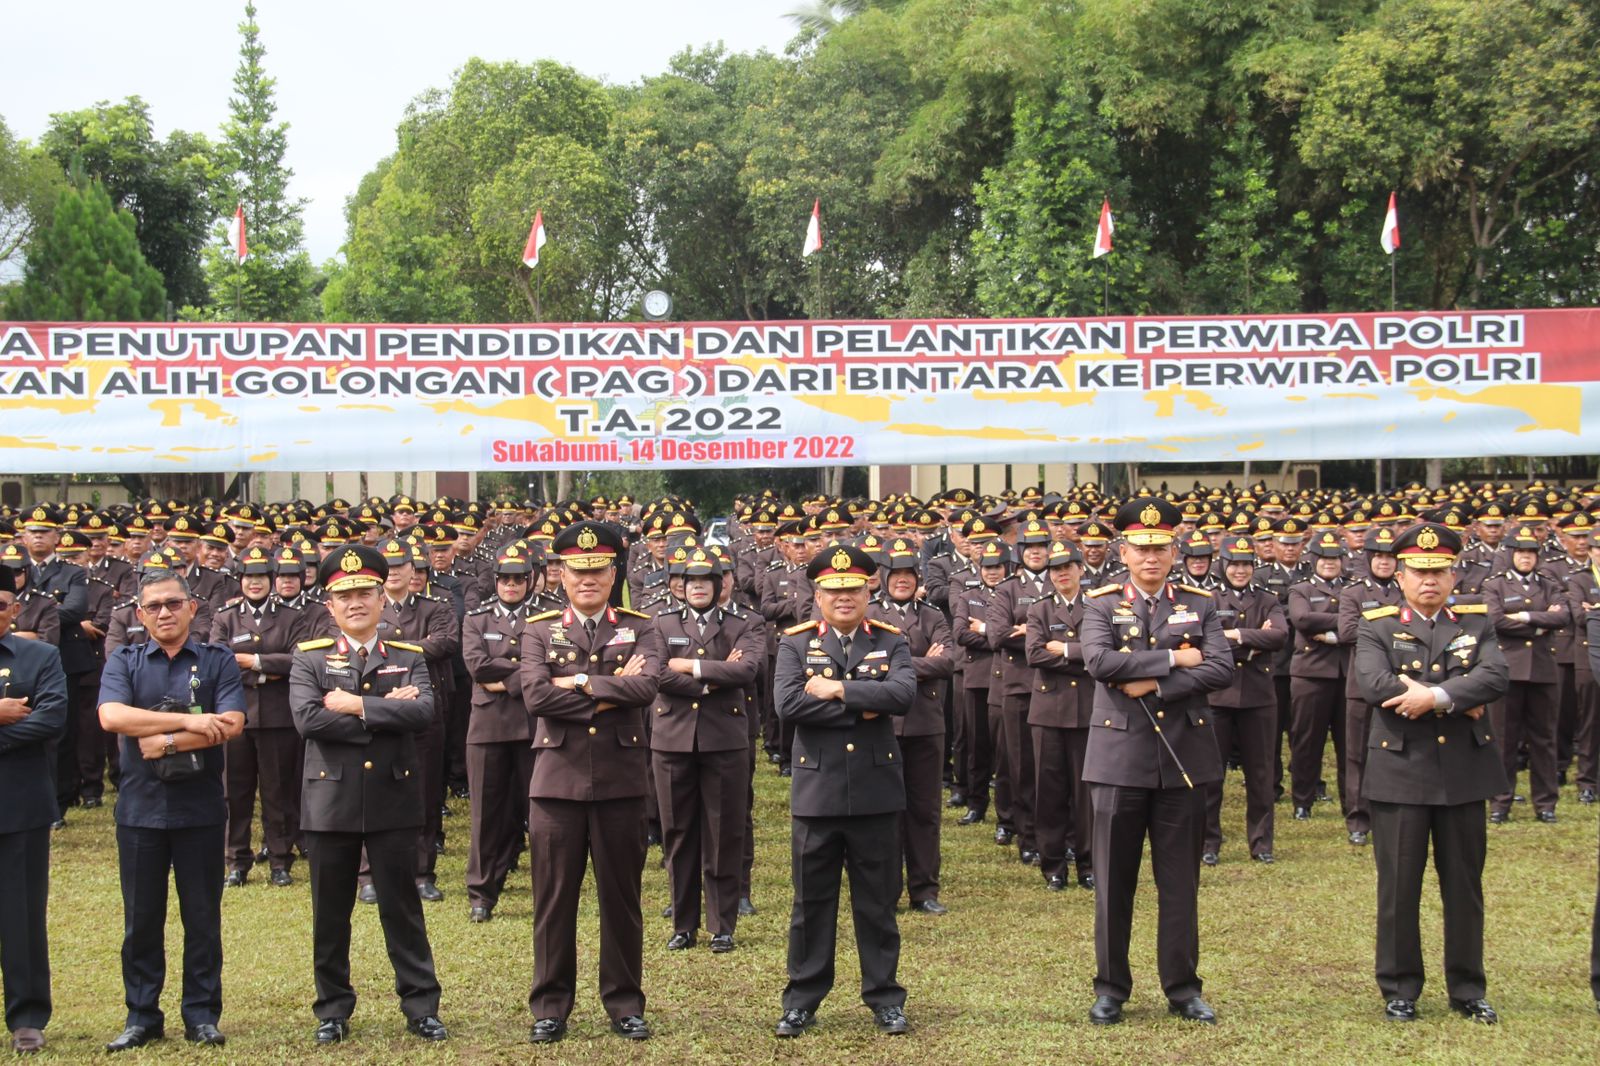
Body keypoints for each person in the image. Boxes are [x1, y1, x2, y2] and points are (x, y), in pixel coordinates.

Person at [1079, 497, 1233, 1026]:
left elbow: (1222, 669)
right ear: (1124, 551)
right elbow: (1098, 661)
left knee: (1179, 882)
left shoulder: (1201, 602)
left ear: (1175, 550)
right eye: (1141, 549)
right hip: (1117, 758)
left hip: (1184, 758)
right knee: (1112, 882)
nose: (1151, 557)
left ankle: (1183, 987)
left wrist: (1154, 683)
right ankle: (1110, 987)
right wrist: (1174, 656)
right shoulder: (1099, 603)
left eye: (1161, 548)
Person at [289, 543, 446, 1044]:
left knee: (402, 908)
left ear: (383, 598)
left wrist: (356, 704)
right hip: (330, 799)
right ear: (330, 607)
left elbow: (423, 715)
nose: (356, 602)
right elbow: (309, 721)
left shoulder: (407, 655)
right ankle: (332, 1009)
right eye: (345, 596)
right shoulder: (310, 659)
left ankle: (421, 1005)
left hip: (392, 796)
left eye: (365, 593)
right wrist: (384, 713)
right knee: (330, 913)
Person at [1353, 522, 1509, 1024]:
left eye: (1439, 571)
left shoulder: (1476, 621)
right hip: (1401, 771)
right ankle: (1400, 987)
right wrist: (1461, 698)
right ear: (1399, 575)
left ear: (1453, 574)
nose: (1429, 582)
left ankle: (1467, 987)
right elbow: (1374, 683)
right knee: (1399, 886)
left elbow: (1495, 675)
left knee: (1464, 885)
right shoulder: (1375, 624)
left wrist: (1432, 696)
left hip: (1464, 772)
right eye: (1419, 572)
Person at [520, 520, 661, 1044]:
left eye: (598, 570)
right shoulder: (538, 630)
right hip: (556, 785)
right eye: (578, 571)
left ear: (613, 572)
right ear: (560, 574)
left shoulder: (640, 626)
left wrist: (577, 681)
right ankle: (550, 1007)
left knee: (621, 900)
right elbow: (535, 697)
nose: (588, 580)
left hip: (622, 783)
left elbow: (647, 686)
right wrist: (609, 689)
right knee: (553, 900)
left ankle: (624, 1002)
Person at [97, 570, 247, 1051]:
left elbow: (232, 723)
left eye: (173, 603)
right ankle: (142, 1015)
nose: (164, 613)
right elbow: (112, 717)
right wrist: (189, 721)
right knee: (141, 920)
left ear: (191, 608)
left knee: (202, 917)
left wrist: (159, 740)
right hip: (140, 811)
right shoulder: (124, 659)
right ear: (140, 614)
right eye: (154, 606)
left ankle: (201, 1014)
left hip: (200, 810)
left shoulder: (217, 659)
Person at [772, 543, 916, 1039]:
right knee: (811, 903)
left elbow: (903, 696)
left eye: (853, 589)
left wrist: (836, 690)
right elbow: (788, 705)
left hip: (876, 791)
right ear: (818, 594)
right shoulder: (794, 643)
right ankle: (803, 998)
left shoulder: (892, 640)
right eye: (834, 591)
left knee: (877, 903)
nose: (844, 598)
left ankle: (885, 997)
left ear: (868, 589)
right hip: (818, 792)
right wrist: (865, 705)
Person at [651, 548, 764, 951]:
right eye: (690, 581)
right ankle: (683, 924)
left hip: (724, 739)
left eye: (706, 581)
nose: (698, 587)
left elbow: (747, 670)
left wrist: (689, 666)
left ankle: (722, 925)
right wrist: (712, 678)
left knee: (723, 832)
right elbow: (656, 673)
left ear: (719, 585)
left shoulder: (745, 623)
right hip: (672, 739)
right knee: (678, 832)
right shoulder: (660, 623)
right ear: (680, 587)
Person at [211, 545, 314, 886]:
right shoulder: (224, 618)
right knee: (234, 793)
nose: (254, 583)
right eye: (248, 577)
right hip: (235, 717)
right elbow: (217, 664)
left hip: (277, 717)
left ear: (271, 579)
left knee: (278, 791)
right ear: (239, 580)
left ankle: (280, 860)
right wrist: (269, 670)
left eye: (260, 576)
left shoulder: (291, 617)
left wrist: (251, 662)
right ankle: (235, 861)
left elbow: (298, 660)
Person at [0, 576, 69, 1056]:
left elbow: (51, 718)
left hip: (18, 802)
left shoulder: (39, 656)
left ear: (13, 609)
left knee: (22, 916)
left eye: (0, 603)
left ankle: (27, 1016)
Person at [871, 538, 954, 914]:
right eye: (895, 573)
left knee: (924, 810)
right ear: (884, 577)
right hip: (881, 724)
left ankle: (924, 890)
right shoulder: (869, 614)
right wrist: (917, 663)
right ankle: (885, 891)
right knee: (883, 811)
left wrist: (894, 667)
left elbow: (947, 661)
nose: (901, 580)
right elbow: (866, 667)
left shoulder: (933, 616)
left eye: (908, 574)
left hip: (924, 723)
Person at [459, 541, 538, 923]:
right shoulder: (477, 618)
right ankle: (481, 893)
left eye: (519, 579)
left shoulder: (545, 618)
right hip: (488, 727)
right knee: (485, 814)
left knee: (536, 812)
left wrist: (505, 679)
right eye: (505, 579)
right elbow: (477, 666)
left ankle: (546, 886)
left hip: (533, 726)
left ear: (530, 580)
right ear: (495, 581)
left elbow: (550, 665)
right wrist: (525, 675)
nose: (511, 585)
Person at [1203, 535, 1288, 865]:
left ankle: (1261, 842)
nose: (1240, 570)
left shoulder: (1267, 599)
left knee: (1261, 773)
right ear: (1223, 565)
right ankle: (1208, 841)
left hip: (1258, 696)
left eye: (1246, 564)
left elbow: (1280, 636)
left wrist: (1235, 635)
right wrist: (1255, 641)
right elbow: (1202, 639)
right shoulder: (1208, 598)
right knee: (1211, 773)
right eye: (1234, 564)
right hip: (1217, 695)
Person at [1482, 525, 1566, 823]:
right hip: (1509, 669)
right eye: (1521, 552)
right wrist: (1542, 625)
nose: (1526, 558)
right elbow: (1493, 621)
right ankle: (1500, 802)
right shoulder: (1495, 585)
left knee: (1544, 739)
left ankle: (1545, 803)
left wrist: (1524, 616)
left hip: (1543, 670)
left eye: (1531, 553)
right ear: (1511, 554)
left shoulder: (1548, 584)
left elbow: (1563, 615)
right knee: (1503, 739)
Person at [1023, 539, 1095, 890]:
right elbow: (1035, 655)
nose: (1062, 574)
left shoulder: (1097, 605)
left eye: (1068, 567)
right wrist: (1084, 658)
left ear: (1080, 569)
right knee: (1049, 792)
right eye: (1055, 569)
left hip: (1089, 710)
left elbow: (1107, 653)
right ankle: (1053, 865)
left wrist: (1065, 650)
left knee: (1087, 795)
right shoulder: (1039, 610)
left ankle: (1088, 864)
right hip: (1048, 712)